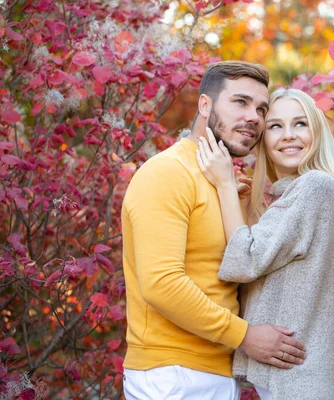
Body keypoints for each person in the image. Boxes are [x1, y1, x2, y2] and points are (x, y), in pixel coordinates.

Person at [121, 62, 306, 400]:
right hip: (172, 375)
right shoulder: (168, 173)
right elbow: (161, 284)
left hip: (215, 370)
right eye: (240, 102)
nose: (254, 117)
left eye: (261, 108)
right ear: (205, 105)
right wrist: (245, 335)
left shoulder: (225, 186)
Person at [196, 88, 334, 399]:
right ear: (264, 139)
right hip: (299, 379)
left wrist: (223, 184)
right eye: (275, 126)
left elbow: (244, 260)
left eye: (300, 124)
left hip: (299, 380)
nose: (288, 135)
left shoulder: (315, 186)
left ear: (316, 132)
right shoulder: (303, 192)